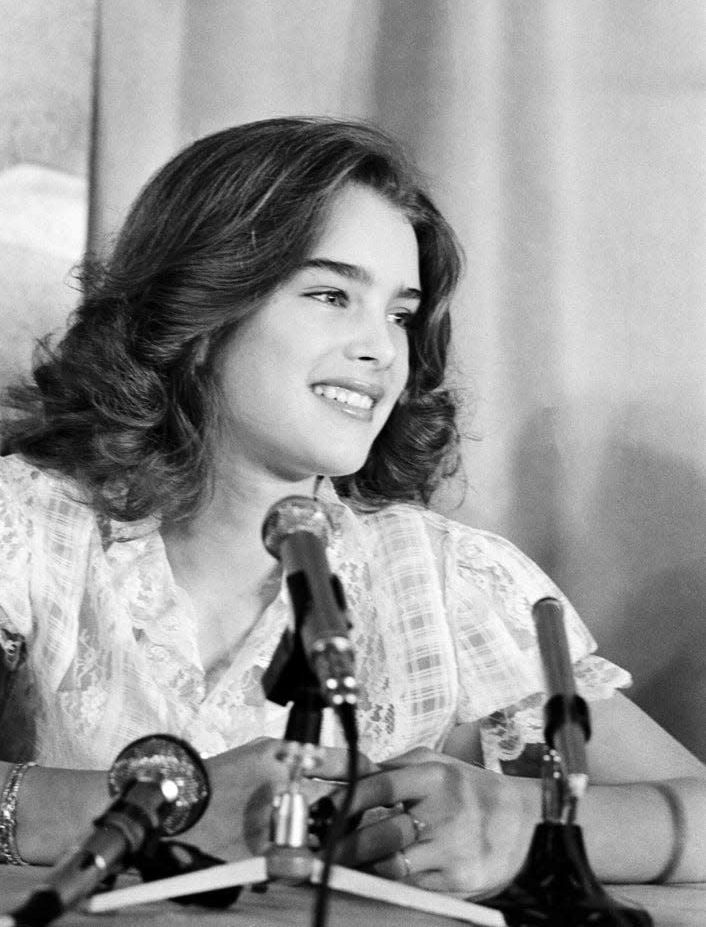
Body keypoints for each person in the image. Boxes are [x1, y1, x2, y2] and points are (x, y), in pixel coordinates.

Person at [0, 117, 703, 898]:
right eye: (331, 294)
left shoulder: (446, 576)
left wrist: (526, 822)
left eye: (400, 313)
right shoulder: (29, 526)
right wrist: (156, 811)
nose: (382, 349)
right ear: (198, 315)